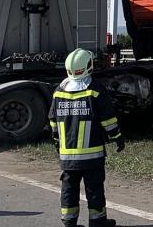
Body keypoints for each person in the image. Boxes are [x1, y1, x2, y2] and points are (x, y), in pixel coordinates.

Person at [48, 48, 123, 227]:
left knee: (69, 188)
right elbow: (108, 120)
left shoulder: (59, 91)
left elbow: (53, 121)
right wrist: (117, 137)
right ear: (88, 67)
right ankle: (97, 222)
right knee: (94, 189)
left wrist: (57, 142)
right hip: (92, 155)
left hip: (67, 157)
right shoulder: (95, 89)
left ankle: (69, 222)